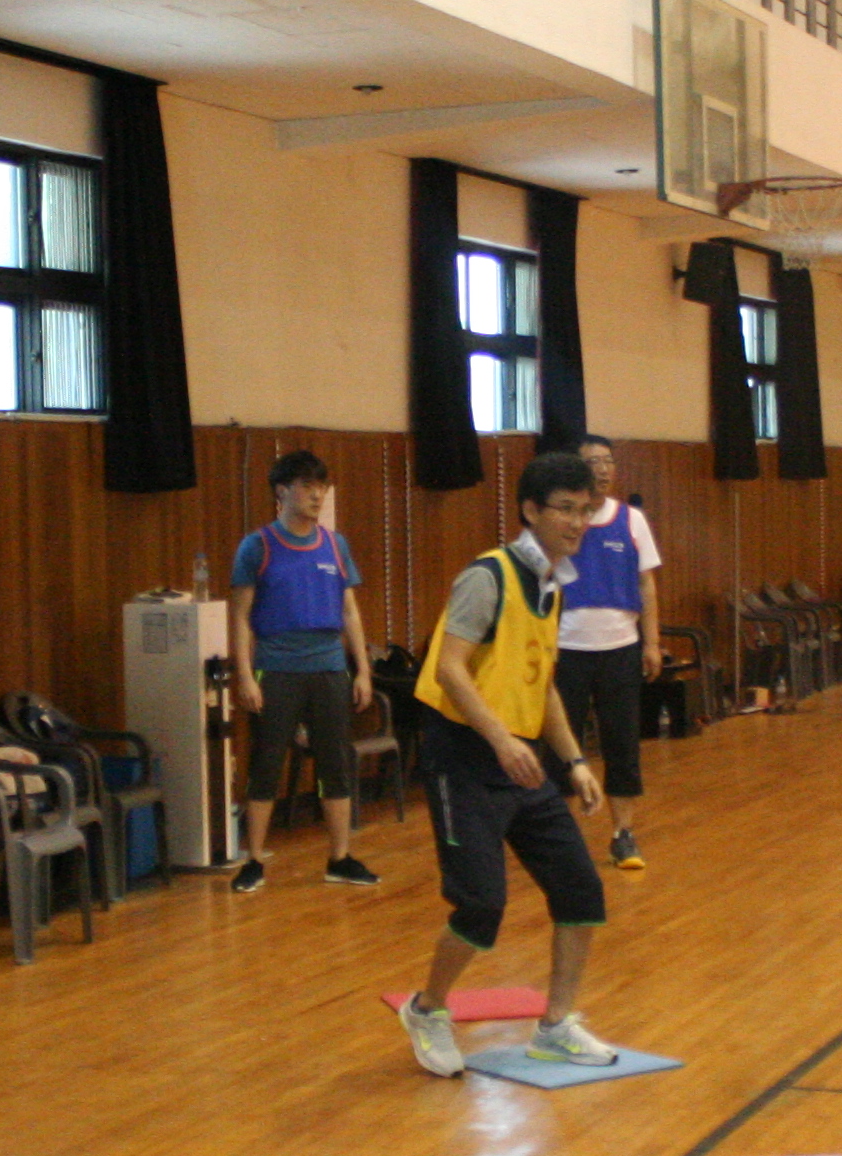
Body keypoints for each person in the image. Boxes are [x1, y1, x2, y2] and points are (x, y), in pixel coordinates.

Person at [388, 451, 616, 1077]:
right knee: (481, 906)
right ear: (530, 511)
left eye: (585, 510)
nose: (577, 522)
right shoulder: (487, 576)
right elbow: (448, 668)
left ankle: (556, 1025)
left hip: (523, 760)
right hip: (464, 756)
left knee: (581, 891)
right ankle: (427, 1009)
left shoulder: (552, 586)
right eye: (565, 509)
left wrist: (574, 761)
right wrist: (501, 740)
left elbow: (542, 685)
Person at [226, 450, 377, 894]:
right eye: (307, 486)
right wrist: (245, 675)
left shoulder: (335, 545)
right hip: (276, 669)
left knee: (336, 764)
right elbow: (240, 616)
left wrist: (362, 670)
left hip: (329, 668)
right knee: (266, 764)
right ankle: (253, 860)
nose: (317, 495)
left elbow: (350, 611)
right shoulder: (257, 546)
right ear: (282, 491)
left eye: (321, 487)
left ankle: (340, 858)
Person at [556, 434, 664, 871]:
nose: (601, 470)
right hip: (566, 651)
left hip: (620, 650)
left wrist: (651, 642)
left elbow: (646, 584)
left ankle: (623, 834)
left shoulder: (632, 520)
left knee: (622, 743)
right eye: (592, 462)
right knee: (561, 746)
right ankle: (560, 840)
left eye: (607, 461)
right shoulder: (561, 522)